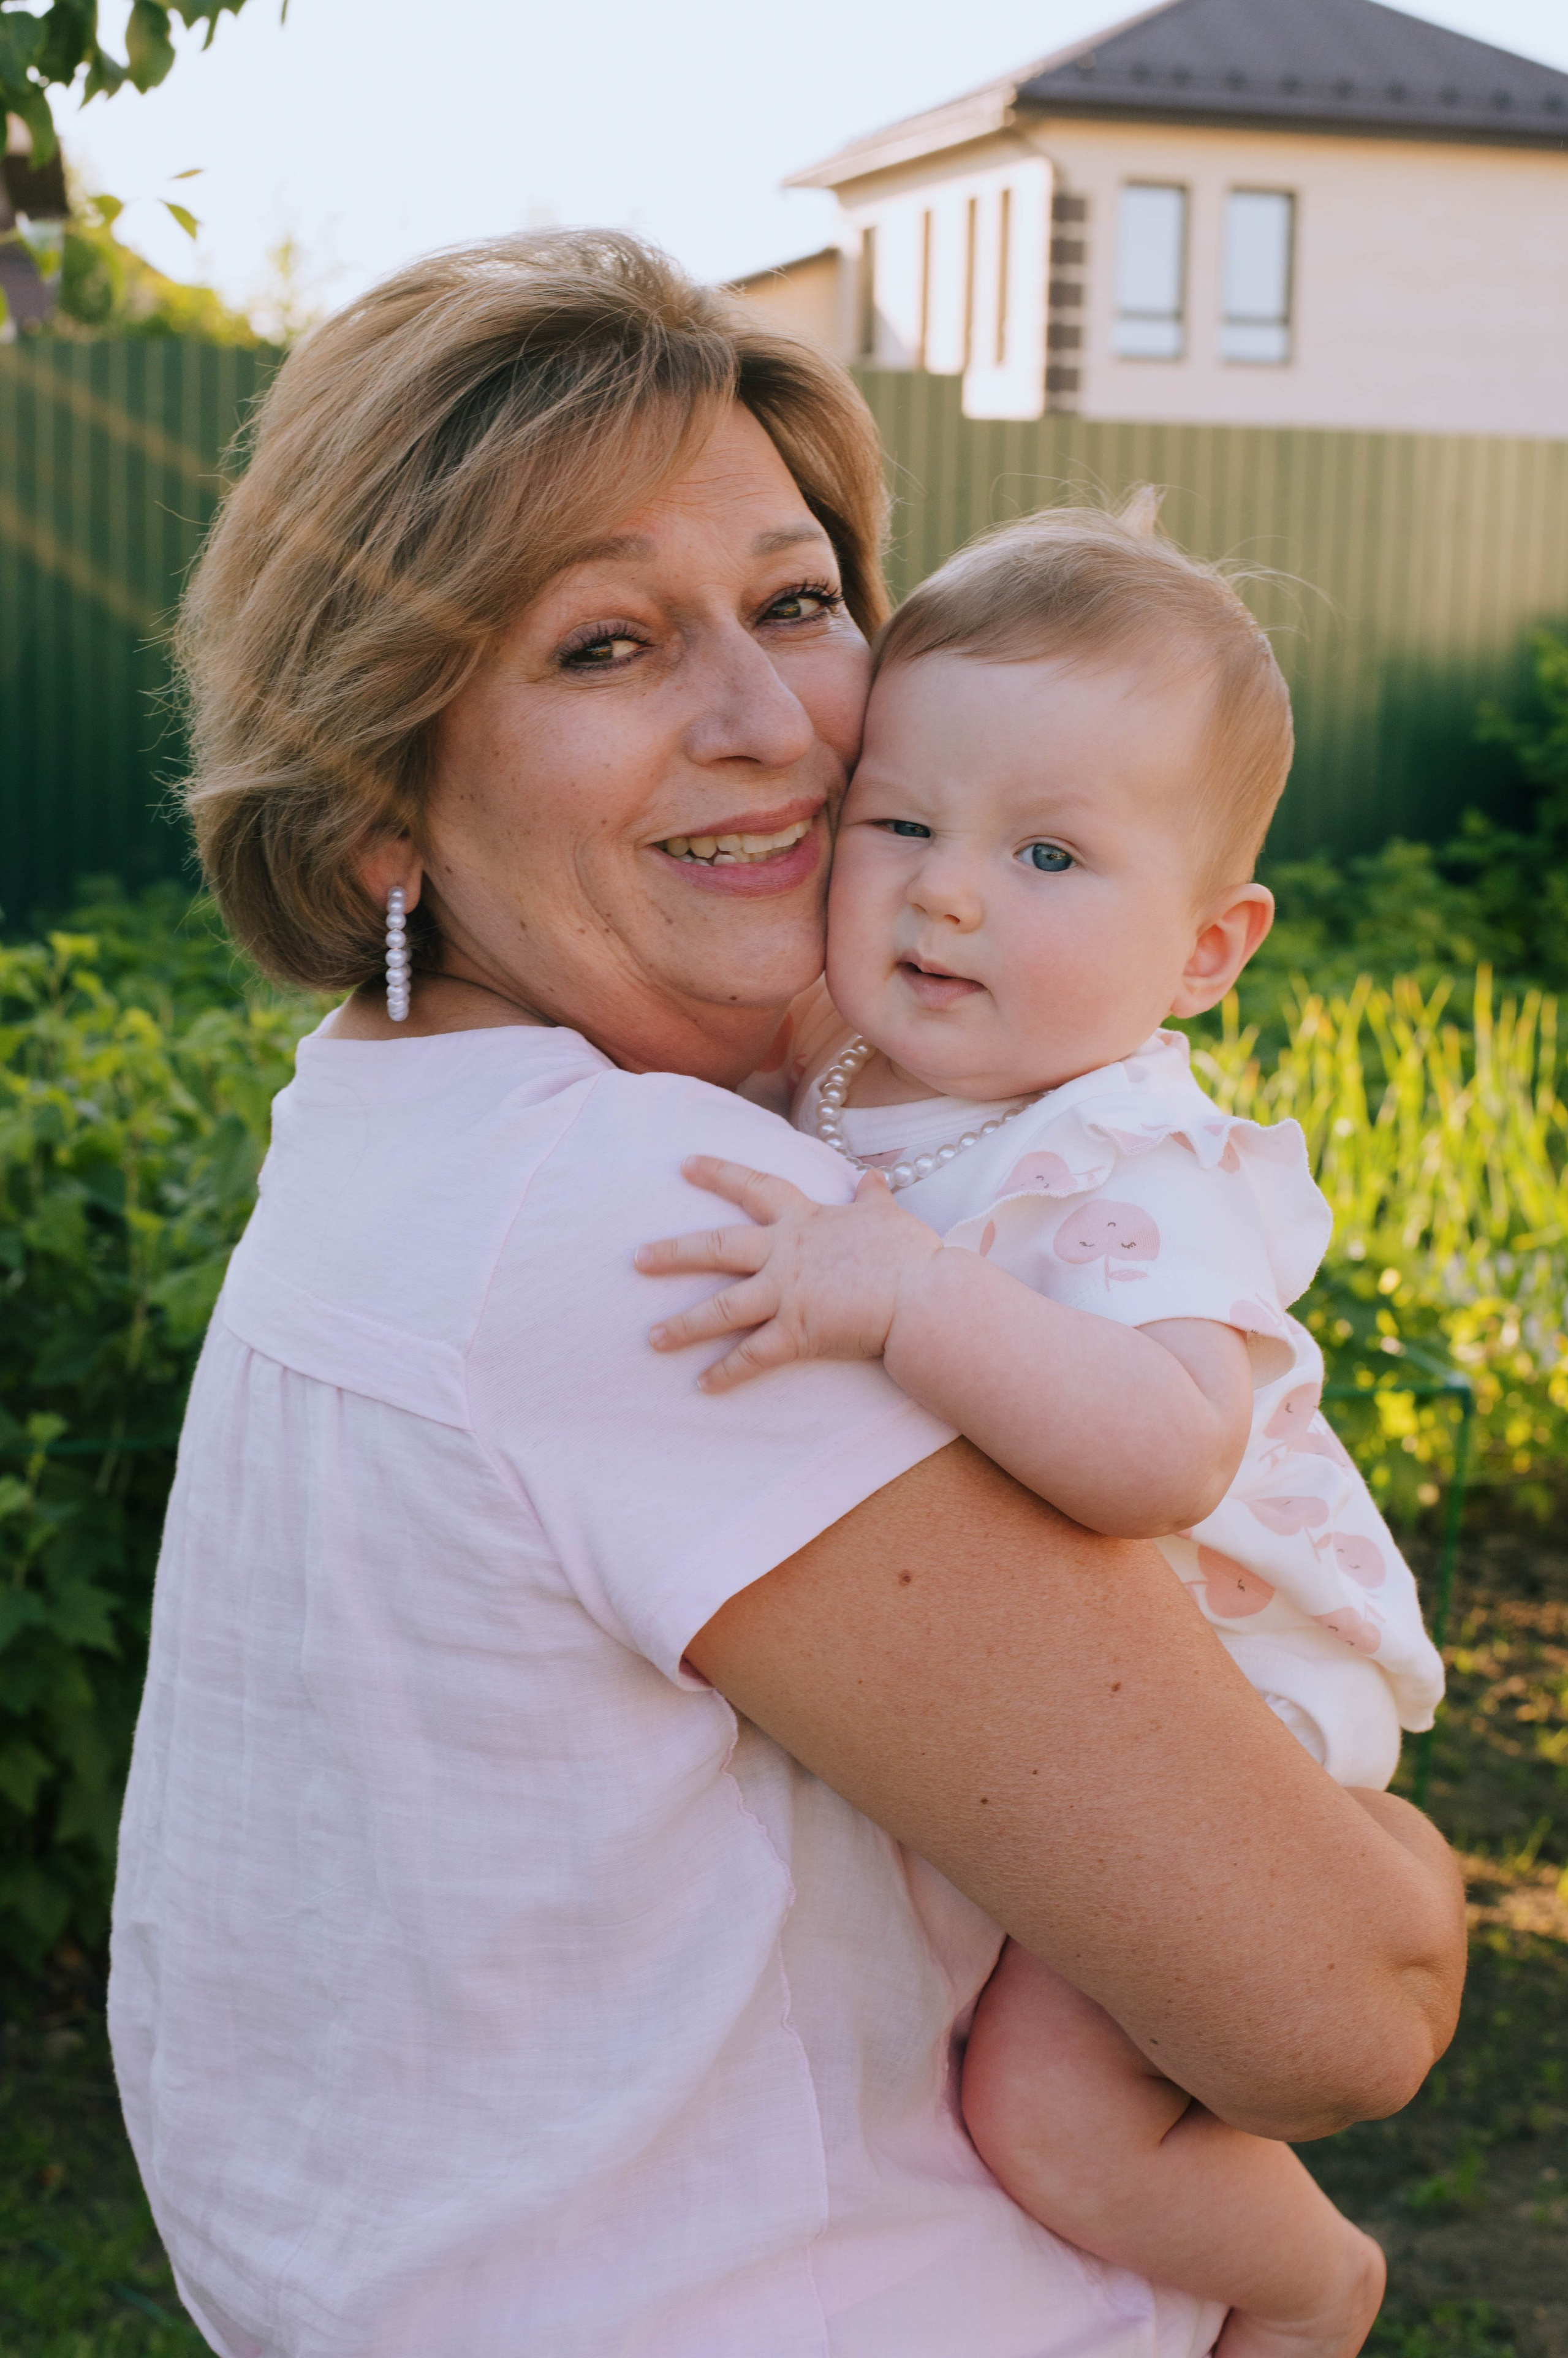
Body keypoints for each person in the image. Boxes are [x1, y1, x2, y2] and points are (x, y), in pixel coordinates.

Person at [107, 232, 1465, 2358]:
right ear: (381, 811)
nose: (773, 728)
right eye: (607, 646)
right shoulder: (662, 1219)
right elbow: (1337, 2010)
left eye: (801, 605)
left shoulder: (393, 1130)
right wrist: (1402, 1884)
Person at [637, 502, 1449, 2358]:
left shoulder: (1130, 1158)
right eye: (901, 824)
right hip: (1070, 1670)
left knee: (1046, 2109)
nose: (948, 896)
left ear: (1207, 951)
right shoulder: (857, 1063)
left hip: (1244, 1682)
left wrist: (910, 1298)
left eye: (1050, 855)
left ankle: (1311, 2285)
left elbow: (1170, 1453)